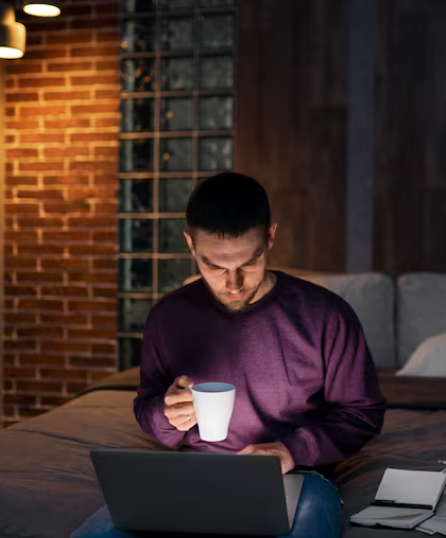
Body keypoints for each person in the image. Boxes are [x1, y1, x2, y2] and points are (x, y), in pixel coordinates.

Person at [133, 172, 387, 538]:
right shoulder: (168, 316)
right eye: (214, 266)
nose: (233, 285)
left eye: (248, 263)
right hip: (194, 473)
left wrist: (290, 450)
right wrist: (166, 414)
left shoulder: (326, 315)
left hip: (298, 475)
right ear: (190, 244)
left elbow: (362, 414)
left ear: (270, 236)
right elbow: (147, 407)